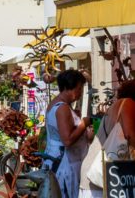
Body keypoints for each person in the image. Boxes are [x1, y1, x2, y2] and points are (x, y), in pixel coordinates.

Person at [79, 78, 135, 198]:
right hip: (100, 178)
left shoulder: (118, 105)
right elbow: (131, 137)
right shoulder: (128, 103)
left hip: (100, 176)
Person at [45, 69, 93, 198]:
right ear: (67, 88)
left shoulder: (58, 104)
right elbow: (67, 140)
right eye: (78, 89)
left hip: (58, 159)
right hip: (64, 164)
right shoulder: (62, 108)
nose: (81, 93)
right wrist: (84, 123)